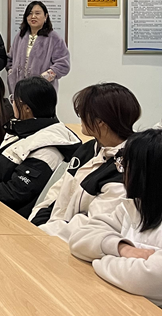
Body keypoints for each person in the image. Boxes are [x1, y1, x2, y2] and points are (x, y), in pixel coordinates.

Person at [30, 82, 141, 242]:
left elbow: (91, 225)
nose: (80, 118)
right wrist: (35, 225)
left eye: (83, 113)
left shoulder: (127, 167)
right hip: (48, 233)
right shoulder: (88, 148)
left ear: (101, 122)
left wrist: (42, 234)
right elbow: (56, 194)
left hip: (76, 244)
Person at [69, 128, 162, 307]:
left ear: (144, 173)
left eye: (125, 165)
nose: (122, 173)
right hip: (118, 302)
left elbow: (145, 279)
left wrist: (100, 260)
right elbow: (79, 238)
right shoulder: (134, 207)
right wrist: (122, 249)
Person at [0, 76, 81, 217]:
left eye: (14, 100)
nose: (12, 103)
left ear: (26, 108)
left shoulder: (48, 147)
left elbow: (14, 193)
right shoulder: (22, 129)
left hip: (5, 214)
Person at [7, 1, 70, 94]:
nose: (33, 16)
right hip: (19, 88)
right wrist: (11, 73)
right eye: (30, 13)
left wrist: (42, 79)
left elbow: (63, 64)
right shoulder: (20, 36)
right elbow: (10, 59)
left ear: (46, 16)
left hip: (42, 90)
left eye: (37, 13)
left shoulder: (54, 38)